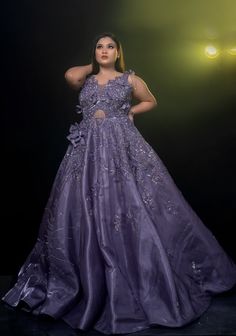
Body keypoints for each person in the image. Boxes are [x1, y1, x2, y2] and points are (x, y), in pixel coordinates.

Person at [2, 32, 236, 335]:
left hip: (121, 148)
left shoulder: (129, 80)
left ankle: (140, 273)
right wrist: (92, 64)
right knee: (78, 209)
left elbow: (150, 100)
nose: (104, 50)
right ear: (94, 52)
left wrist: (129, 112)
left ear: (118, 52)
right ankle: (87, 277)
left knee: (134, 204)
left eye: (110, 46)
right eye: (99, 46)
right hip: (85, 154)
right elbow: (69, 75)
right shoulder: (84, 79)